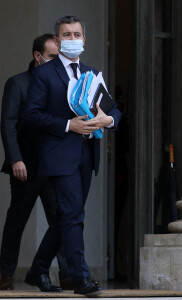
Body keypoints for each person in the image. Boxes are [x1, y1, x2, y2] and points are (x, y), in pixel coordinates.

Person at [24, 16, 121, 297]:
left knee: (67, 216)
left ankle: (37, 269)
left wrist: (107, 121)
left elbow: (114, 112)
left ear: (85, 39)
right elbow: (31, 115)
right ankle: (81, 278)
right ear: (56, 40)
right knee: (73, 215)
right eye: (66, 35)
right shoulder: (44, 74)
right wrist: (69, 125)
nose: (72, 39)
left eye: (77, 34)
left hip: (86, 155)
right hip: (58, 156)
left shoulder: (93, 74)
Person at [0, 34, 69, 291]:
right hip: (25, 167)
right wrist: (15, 158)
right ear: (37, 56)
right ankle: (5, 274)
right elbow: (7, 124)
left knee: (61, 221)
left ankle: (68, 274)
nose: (57, 62)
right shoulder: (17, 84)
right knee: (16, 221)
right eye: (52, 57)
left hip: (54, 167)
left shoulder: (62, 84)